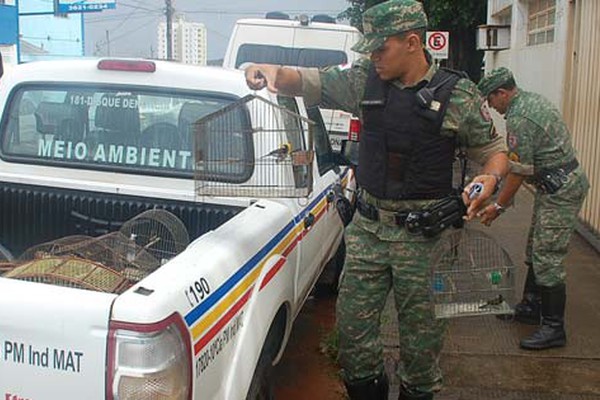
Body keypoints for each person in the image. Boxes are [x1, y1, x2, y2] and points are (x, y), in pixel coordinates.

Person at [245, 1, 508, 398]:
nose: (372, 57)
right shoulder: (364, 82)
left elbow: (494, 149)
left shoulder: (459, 96)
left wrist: (490, 177)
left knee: (421, 353)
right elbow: (305, 80)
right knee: (353, 342)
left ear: (413, 43)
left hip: (426, 241)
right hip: (368, 233)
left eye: (380, 48)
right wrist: (270, 71)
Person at [477, 67, 589, 351]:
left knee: (547, 256)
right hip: (553, 185)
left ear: (502, 93)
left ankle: (553, 328)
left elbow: (518, 172)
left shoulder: (520, 117)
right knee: (534, 247)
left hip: (560, 189)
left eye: (491, 101)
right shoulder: (530, 102)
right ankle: (531, 306)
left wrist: (498, 206)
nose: (492, 108)